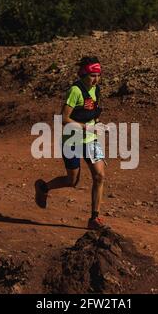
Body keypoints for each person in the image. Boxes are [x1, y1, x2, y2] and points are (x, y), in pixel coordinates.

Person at [35, 56, 108, 230]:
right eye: (92, 75)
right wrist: (86, 128)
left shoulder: (96, 89)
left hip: (90, 139)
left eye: (98, 75)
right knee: (71, 180)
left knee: (99, 176)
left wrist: (97, 125)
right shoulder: (75, 91)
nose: (96, 79)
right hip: (72, 139)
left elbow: (93, 111)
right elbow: (64, 119)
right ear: (83, 74)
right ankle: (43, 187)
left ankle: (94, 218)